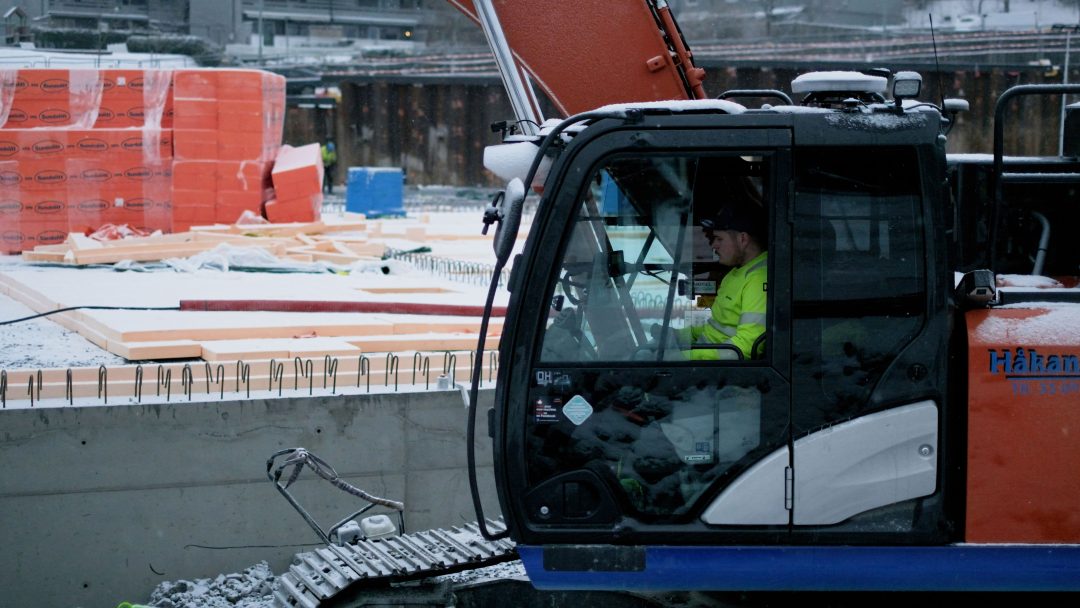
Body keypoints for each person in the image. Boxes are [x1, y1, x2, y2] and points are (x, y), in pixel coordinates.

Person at [676, 203, 768, 360]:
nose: (714, 245)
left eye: (719, 239)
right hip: (706, 354)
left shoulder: (759, 280)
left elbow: (747, 346)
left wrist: (685, 358)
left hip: (719, 369)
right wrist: (677, 336)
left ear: (743, 239)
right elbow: (717, 327)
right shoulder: (735, 273)